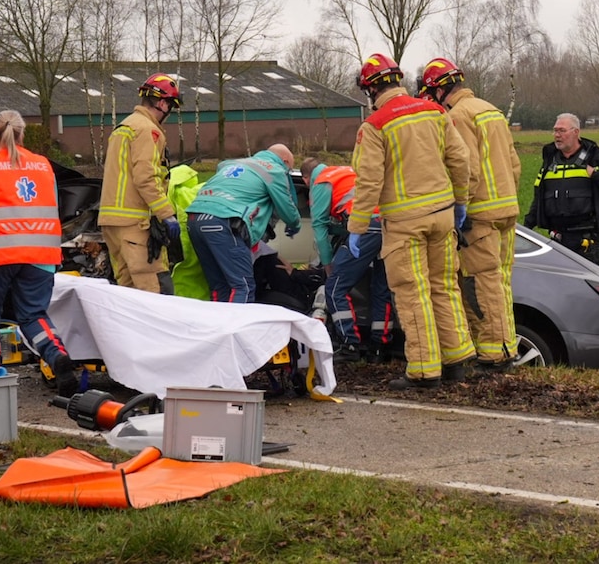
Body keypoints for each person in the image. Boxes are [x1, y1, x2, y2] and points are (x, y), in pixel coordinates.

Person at [349, 53, 475, 390]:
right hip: (443, 216)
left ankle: (423, 371)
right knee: (444, 287)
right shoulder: (434, 111)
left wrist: (357, 227)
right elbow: (460, 160)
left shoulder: (375, 125)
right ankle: (457, 359)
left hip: (405, 223)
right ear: (398, 80)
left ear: (371, 90)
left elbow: (368, 181)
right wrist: (460, 202)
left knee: (412, 293)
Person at [0, 111, 79, 399]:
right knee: (33, 315)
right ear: (23, 135)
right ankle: (56, 354)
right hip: (40, 254)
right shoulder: (44, 166)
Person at [419, 57, 522, 372]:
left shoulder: (459, 115)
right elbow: (513, 162)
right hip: (506, 208)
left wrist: (459, 205)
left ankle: (493, 355)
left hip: (479, 214)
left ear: (439, 90)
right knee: (500, 282)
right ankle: (506, 347)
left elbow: (467, 167)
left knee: (481, 283)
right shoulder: (489, 109)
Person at [300, 157, 393, 364]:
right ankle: (379, 347)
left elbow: (320, 228)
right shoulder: (347, 172)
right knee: (381, 288)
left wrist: (327, 265)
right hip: (388, 225)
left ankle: (349, 344)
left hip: (365, 228)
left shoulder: (321, 182)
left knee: (334, 288)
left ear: (306, 179)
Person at [185, 144, 301, 303]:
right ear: (286, 161)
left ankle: (218, 326)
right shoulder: (274, 170)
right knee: (243, 286)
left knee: (219, 287)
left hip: (194, 218)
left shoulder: (232, 163)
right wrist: (294, 225)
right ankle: (238, 328)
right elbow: (288, 210)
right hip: (224, 220)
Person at [99, 73, 182, 294]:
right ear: (163, 103)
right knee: (154, 290)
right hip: (135, 224)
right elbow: (146, 176)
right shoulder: (148, 129)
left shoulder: (124, 127)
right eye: (171, 106)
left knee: (128, 293)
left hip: (112, 222)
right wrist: (166, 214)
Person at [524, 113, 599, 269]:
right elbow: (539, 197)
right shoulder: (550, 160)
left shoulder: (594, 156)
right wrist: (526, 228)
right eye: (555, 131)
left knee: (590, 286)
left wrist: (597, 174)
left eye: (562, 131)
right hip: (557, 238)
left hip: (588, 240)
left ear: (576, 132)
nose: (557, 135)